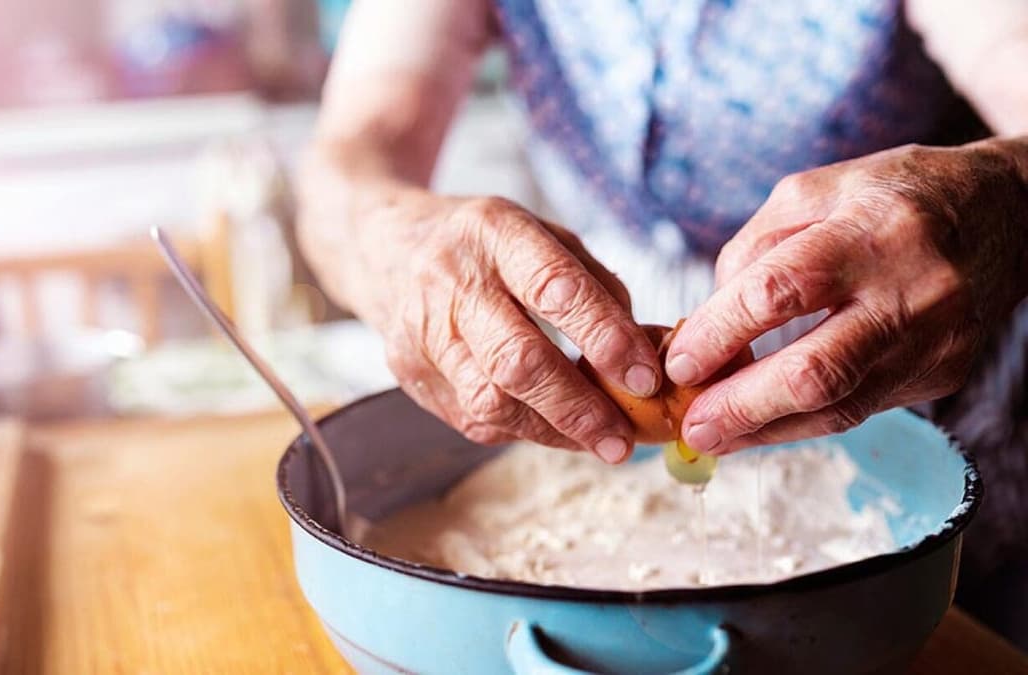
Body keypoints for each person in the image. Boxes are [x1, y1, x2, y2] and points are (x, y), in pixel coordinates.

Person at [295, 0, 1028, 644]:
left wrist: (1008, 193)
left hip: (915, 371)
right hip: (585, 374)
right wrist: (393, 238)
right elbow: (351, 155)